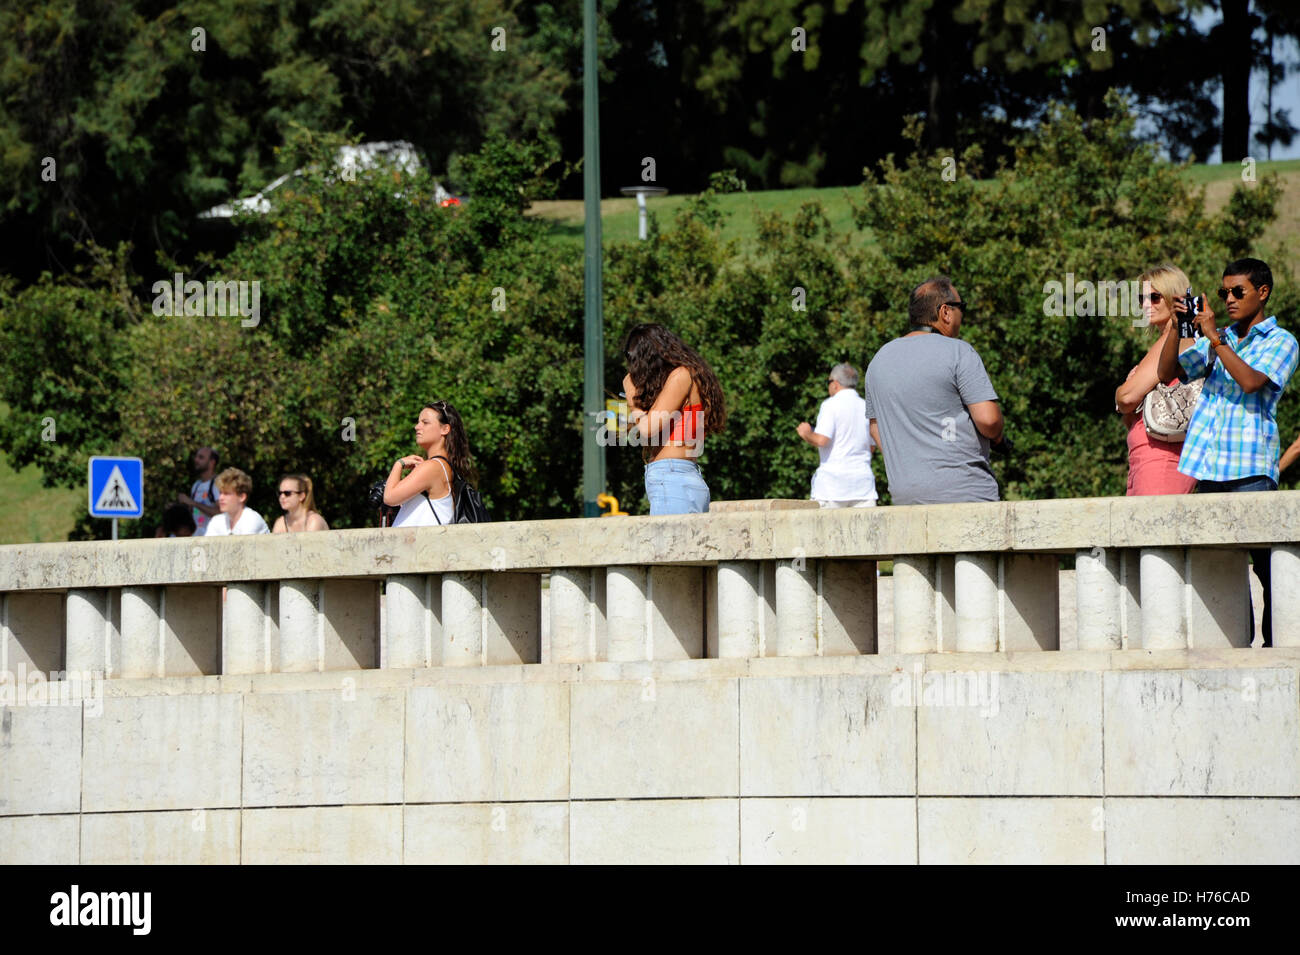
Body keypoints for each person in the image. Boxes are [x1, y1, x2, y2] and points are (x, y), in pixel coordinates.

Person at [1156, 258, 1299, 647]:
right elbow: (1170, 371)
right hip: (1209, 471)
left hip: (1251, 472)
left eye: (1238, 291)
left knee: (1269, 570)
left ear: (1263, 293)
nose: (1230, 299)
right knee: (1213, 569)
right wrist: (1176, 327)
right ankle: (1229, 653)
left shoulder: (1282, 341)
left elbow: (1251, 382)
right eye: (1224, 293)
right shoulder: (1218, 336)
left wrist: (1214, 338)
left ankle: (1278, 651)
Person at [862, 276, 1007, 504]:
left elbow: (875, 429)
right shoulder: (959, 351)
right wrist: (998, 436)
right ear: (945, 312)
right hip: (966, 494)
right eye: (962, 308)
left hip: (906, 499)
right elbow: (988, 421)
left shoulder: (878, 360)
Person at [620, 323, 727, 515]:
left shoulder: (681, 375)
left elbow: (647, 429)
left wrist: (631, 395)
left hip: (672, 477)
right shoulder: (686, 375)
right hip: (679, 477)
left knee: (666, 544)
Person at [1114, 264, 1199, 495]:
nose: (1145, 305)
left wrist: (1124, 391)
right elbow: (1128, 413)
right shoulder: (1170, 339)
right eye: (1141, 298)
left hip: (1161, 460)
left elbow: (1127, 398)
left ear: (1175, 298)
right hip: (1149, 458)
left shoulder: (1177, 337)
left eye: (1154, 297)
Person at [384, 400, 477, 527]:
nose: (417, 427)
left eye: (425, 423)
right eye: (418, 422)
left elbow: (390, 498)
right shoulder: (443, 466)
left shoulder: (432, 467)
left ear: (445, 429)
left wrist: (398, 464)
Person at [796, 362, 877, 507]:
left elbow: (822, 440)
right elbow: (871, 447)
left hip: (832, 487)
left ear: (835, 384)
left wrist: (806, 433)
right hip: (863, 486)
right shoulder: (865, 406)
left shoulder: (830, 405)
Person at [204, 467, 270, 536]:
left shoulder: (252, 520)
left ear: (242, 497)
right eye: (220, 493)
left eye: (226, 493)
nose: (220, 498)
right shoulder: (216, 521)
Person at [177, 446, 220, 535]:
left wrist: (193, 503)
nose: (196, 460)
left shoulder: (217, 483)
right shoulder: (196, 485)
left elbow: (220, 512)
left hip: (214, 538)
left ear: (212, 462)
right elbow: (193, 512)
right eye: (196, 457)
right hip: (197, 538)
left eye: (201, 457)